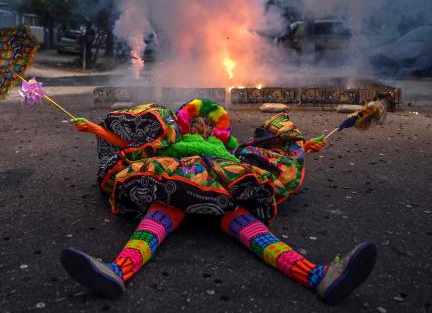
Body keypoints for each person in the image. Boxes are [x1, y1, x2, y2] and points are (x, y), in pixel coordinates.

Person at [60, 99, 376, 304]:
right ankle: (118, 271)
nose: (201, 126)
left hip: (226, 184)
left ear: (217, 128)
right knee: (156, 219)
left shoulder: (231, 149)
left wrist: (301, 147)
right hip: (176, 181)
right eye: (195, 122)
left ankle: (318, 276)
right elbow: (136, 145)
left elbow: (267, 153)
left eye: (207, 123)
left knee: (252, 230)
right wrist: (95, 129)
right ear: (186, 125)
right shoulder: (176, 139)